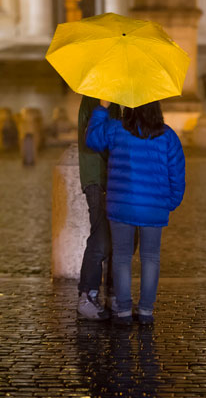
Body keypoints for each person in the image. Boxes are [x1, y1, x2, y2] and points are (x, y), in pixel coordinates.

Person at [85, 99, 185, 325]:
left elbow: (92, 139)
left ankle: (123, 312)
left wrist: (101, 108)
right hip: (154, 207)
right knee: (151, 258)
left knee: (121, 258)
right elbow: (177, 173)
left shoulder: (116, 129)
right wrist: (170, 202)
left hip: (122, 204)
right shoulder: (168, 136)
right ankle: (146, 311)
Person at [77, 95, 121, 320]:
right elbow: (96, 138)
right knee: (101, 237)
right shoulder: (97, 100)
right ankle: (87, 294)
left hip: (110, 176)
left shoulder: (111, 99)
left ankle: (112, 294)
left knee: (117, 236)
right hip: (98, 177)